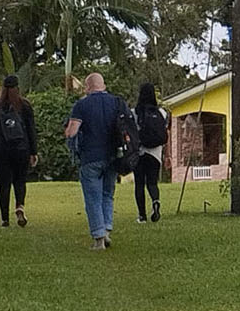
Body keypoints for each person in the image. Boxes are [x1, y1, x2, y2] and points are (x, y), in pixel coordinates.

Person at [65, 72, 126, 247]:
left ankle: (99, 238)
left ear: (87, 87)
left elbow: (72, 131)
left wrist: (67, 134)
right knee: (108, 194)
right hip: (114, 155)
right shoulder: (116, 103)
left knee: (93, 197)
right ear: (103, 85)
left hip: (90, 157)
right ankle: (107, 229)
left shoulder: (82, 105)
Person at [0, 76, 38, 228]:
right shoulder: (24, 105)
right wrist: (33, 151)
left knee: (4, 183)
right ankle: (20, 206)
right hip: (21, 148)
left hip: (1, 150)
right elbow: (31, 130)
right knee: (20, 180)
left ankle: (5, 219)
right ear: (17, 88)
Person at [130, 82, 172, 225]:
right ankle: (155, 201)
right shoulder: (162, 113)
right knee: (152, 183)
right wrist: (168, 155)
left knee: (139, 184)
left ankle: (142, 216)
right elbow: (165, 133)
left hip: (139, 152)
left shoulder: (134, 112)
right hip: (155, 153)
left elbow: (131, 132)